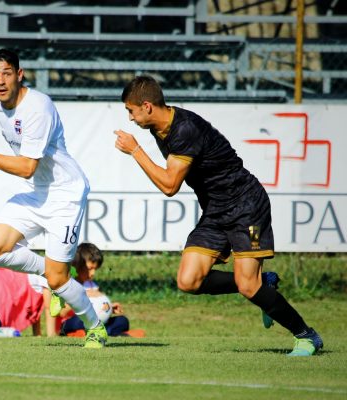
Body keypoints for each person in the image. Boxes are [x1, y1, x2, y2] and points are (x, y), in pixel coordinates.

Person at [113, 75, 322, 356]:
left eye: (131, 110)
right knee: (189, 281)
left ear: (147, 106)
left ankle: (306, 335)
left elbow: (170, 185)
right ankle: (266, 283)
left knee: (248, 285)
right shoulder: (159, 128)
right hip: (215, 209)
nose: (130, 117)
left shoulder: (185, 129)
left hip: (246, 204)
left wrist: (136, 151)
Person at [0, 48, 107, 348]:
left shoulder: (38, 107)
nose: (0, 81)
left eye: (7, 73)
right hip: (39, 192)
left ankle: (95, 326)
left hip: (65, 194)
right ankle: (51, 274)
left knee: (60, 280)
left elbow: (26, 166)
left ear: (19, 75)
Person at [54, 242, 135, 337]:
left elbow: (98, 307)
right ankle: (107, 333)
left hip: (95, 322)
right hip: (72, 321)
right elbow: (62, 312)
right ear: (78, 265)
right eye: (90, 268)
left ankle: (99, 333)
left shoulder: (92, 285)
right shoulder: (68, 283)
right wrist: (81, 296)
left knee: (122, 321)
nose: (92, 273)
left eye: (95, 269)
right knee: (79, 321)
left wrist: (109, 307)